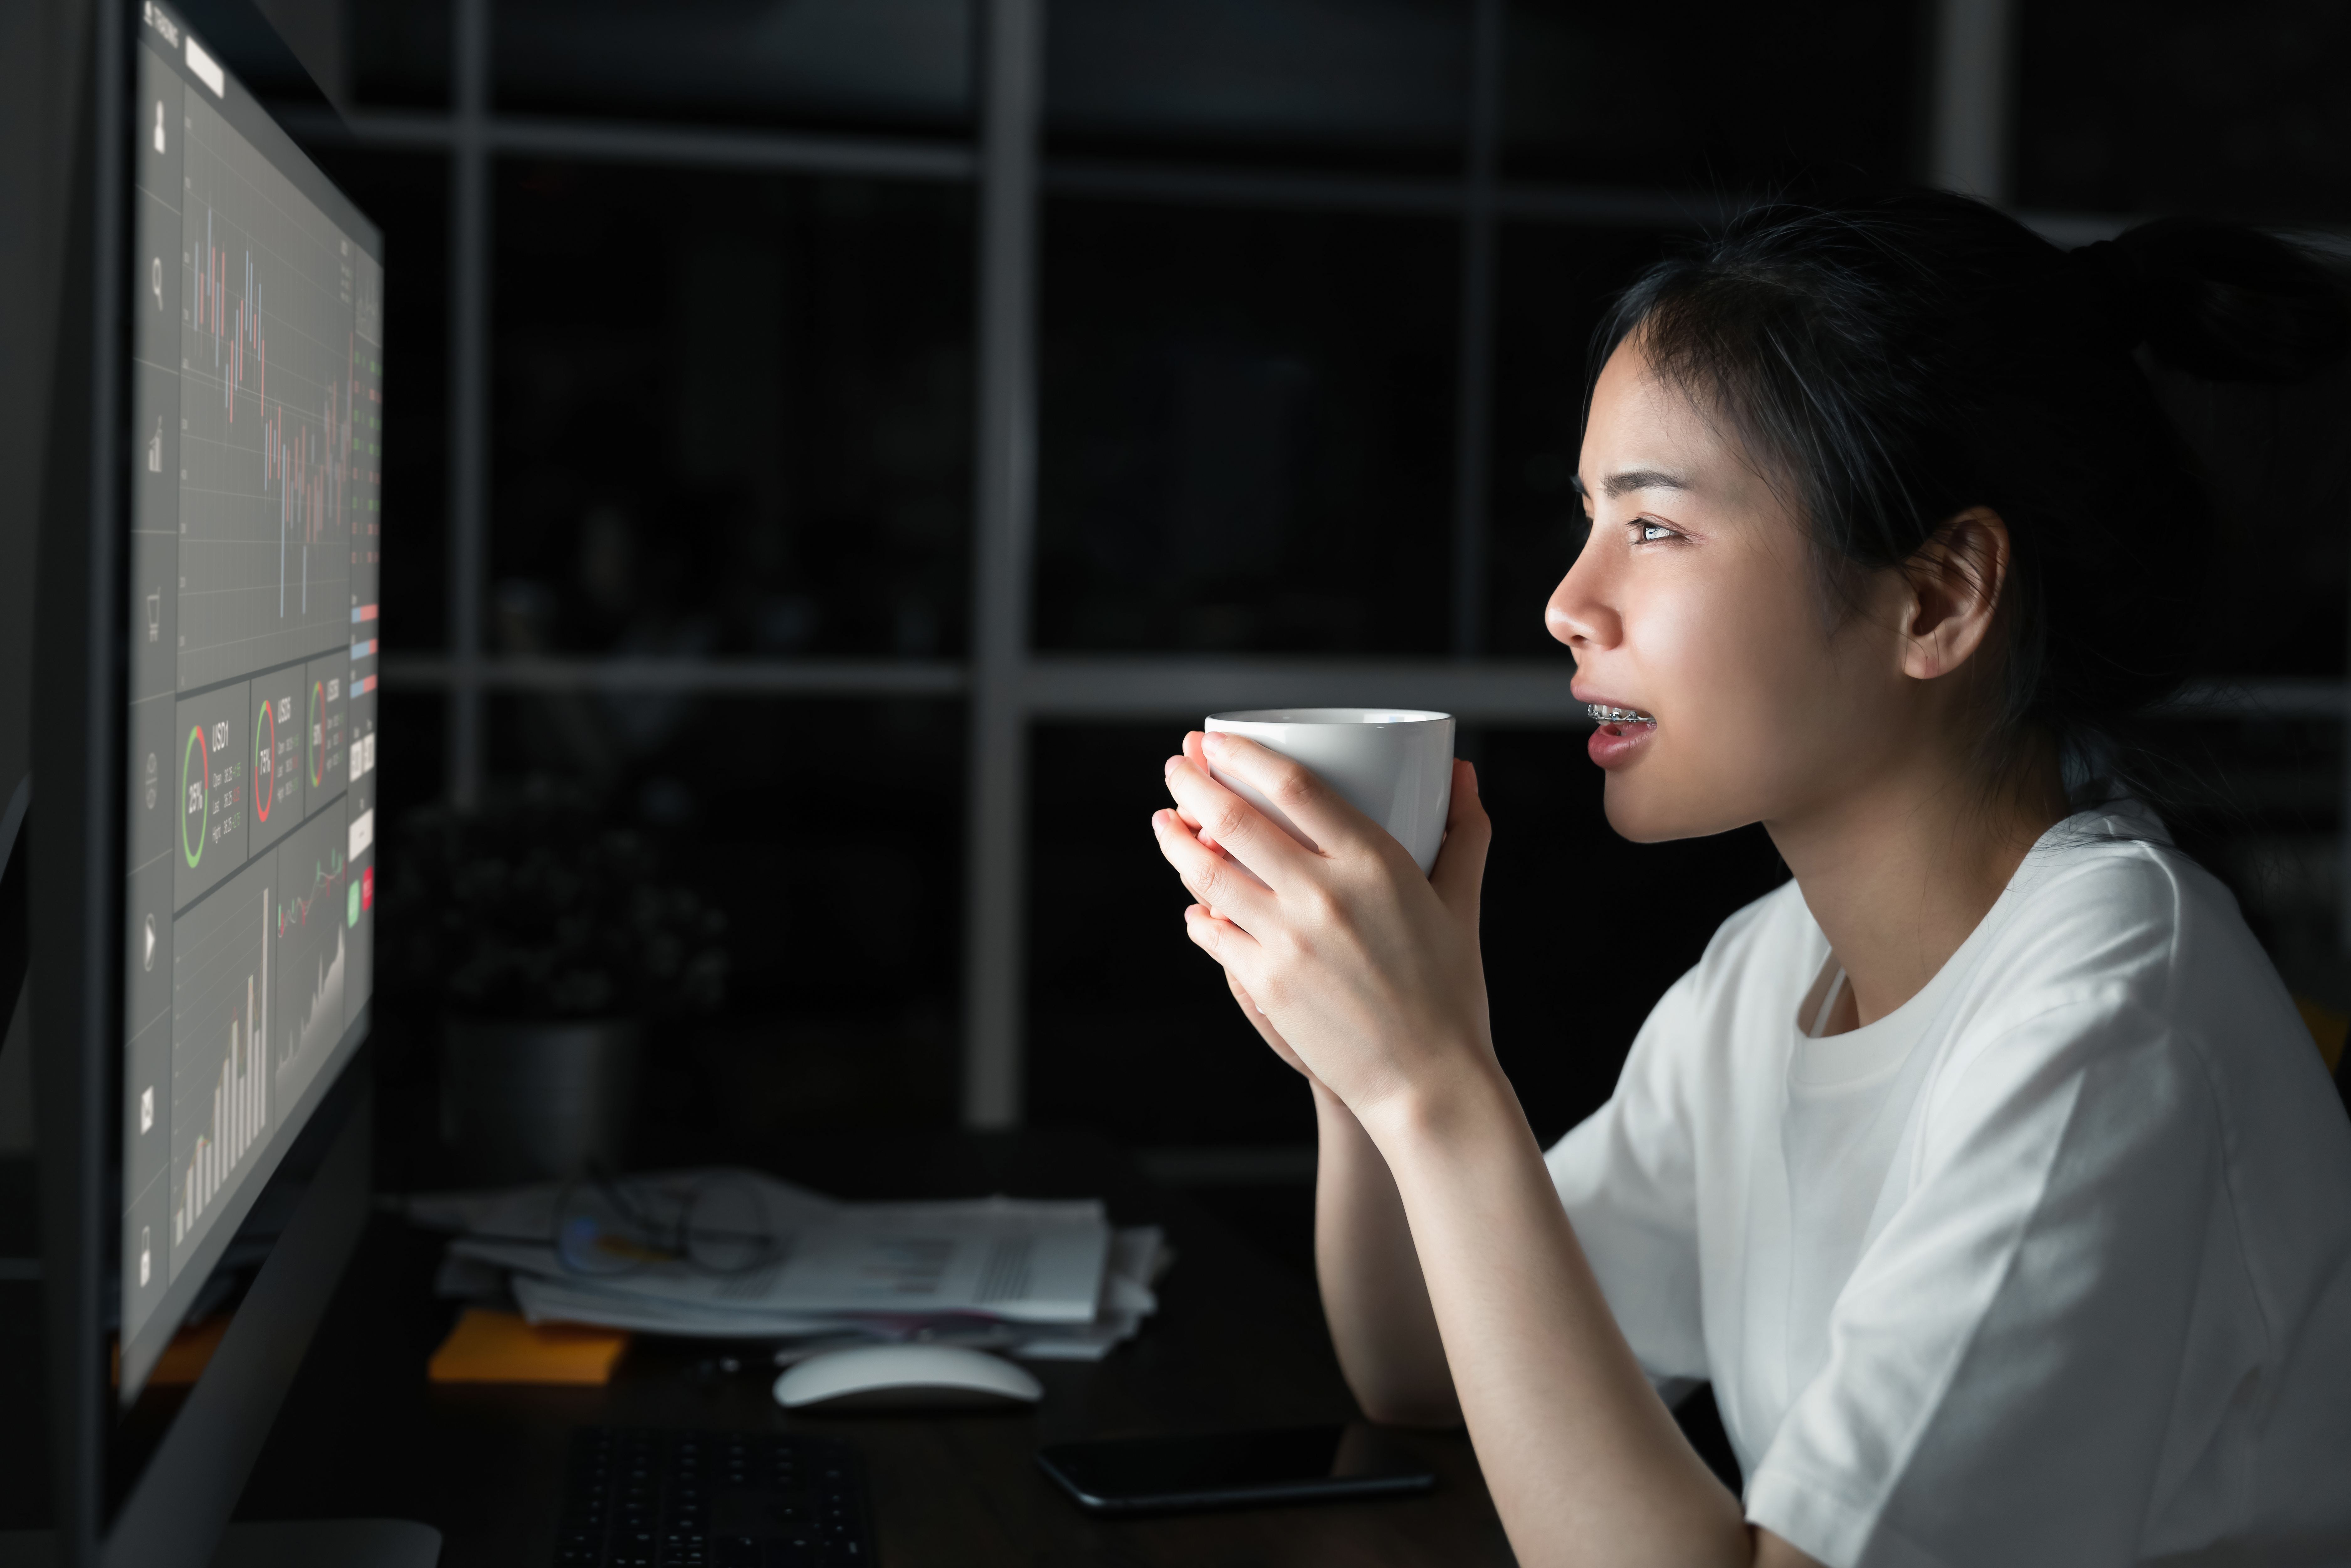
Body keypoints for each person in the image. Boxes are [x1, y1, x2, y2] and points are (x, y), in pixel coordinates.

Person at [1149, 187, 2351, 1568]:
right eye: (1588, 515)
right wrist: (1364, 1060)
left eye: (1653, 527)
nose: (1567, 601)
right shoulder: (1778, 971)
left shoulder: (2107, 1033)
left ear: (1940, 598)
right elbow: (1423, 1365)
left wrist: (1437, 1083)